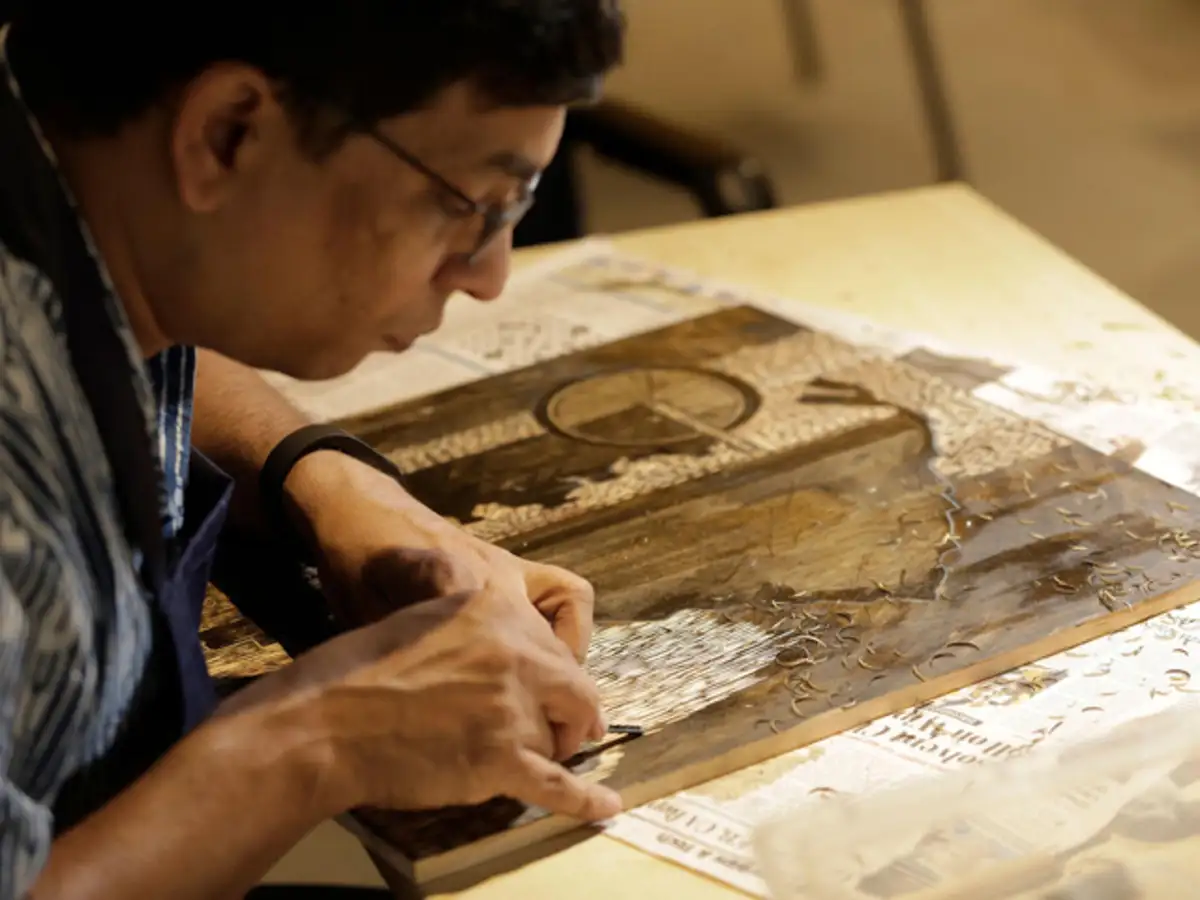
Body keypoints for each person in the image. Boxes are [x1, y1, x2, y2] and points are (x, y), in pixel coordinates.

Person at [0, 3, 626, 898]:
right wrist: (322, 740)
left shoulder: (83, 191)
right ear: (228, 136)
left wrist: (324, 480)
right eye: (471, 205)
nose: (489, 275)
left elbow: (153, 314)